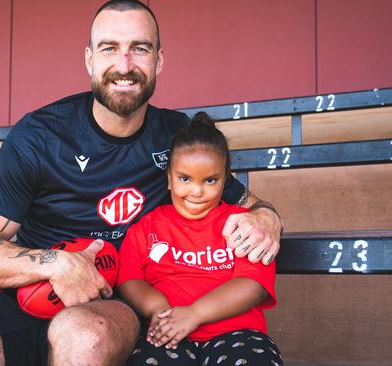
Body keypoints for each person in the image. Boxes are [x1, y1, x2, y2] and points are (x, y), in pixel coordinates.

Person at [0, 1, 283, 365]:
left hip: (108, 301)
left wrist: (267, 218)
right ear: (89, 60)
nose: (124, 64)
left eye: (139, 49)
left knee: (83, 335)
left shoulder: (178, 138)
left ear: (159, 61)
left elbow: (249, 205)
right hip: (22, 292)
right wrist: (56, 263)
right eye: (109, 48)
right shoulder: (40, 134)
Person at [118, 112, 282, 366]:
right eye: (185, 178)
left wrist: (195, 314)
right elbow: (130, 280)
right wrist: (157, 308)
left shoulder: (242, 223)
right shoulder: (145, 227)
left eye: (210, 180)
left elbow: (253, 285)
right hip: (166, 333)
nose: (196, 191)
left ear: (225, 180)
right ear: (169, 179)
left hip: (237, 333)